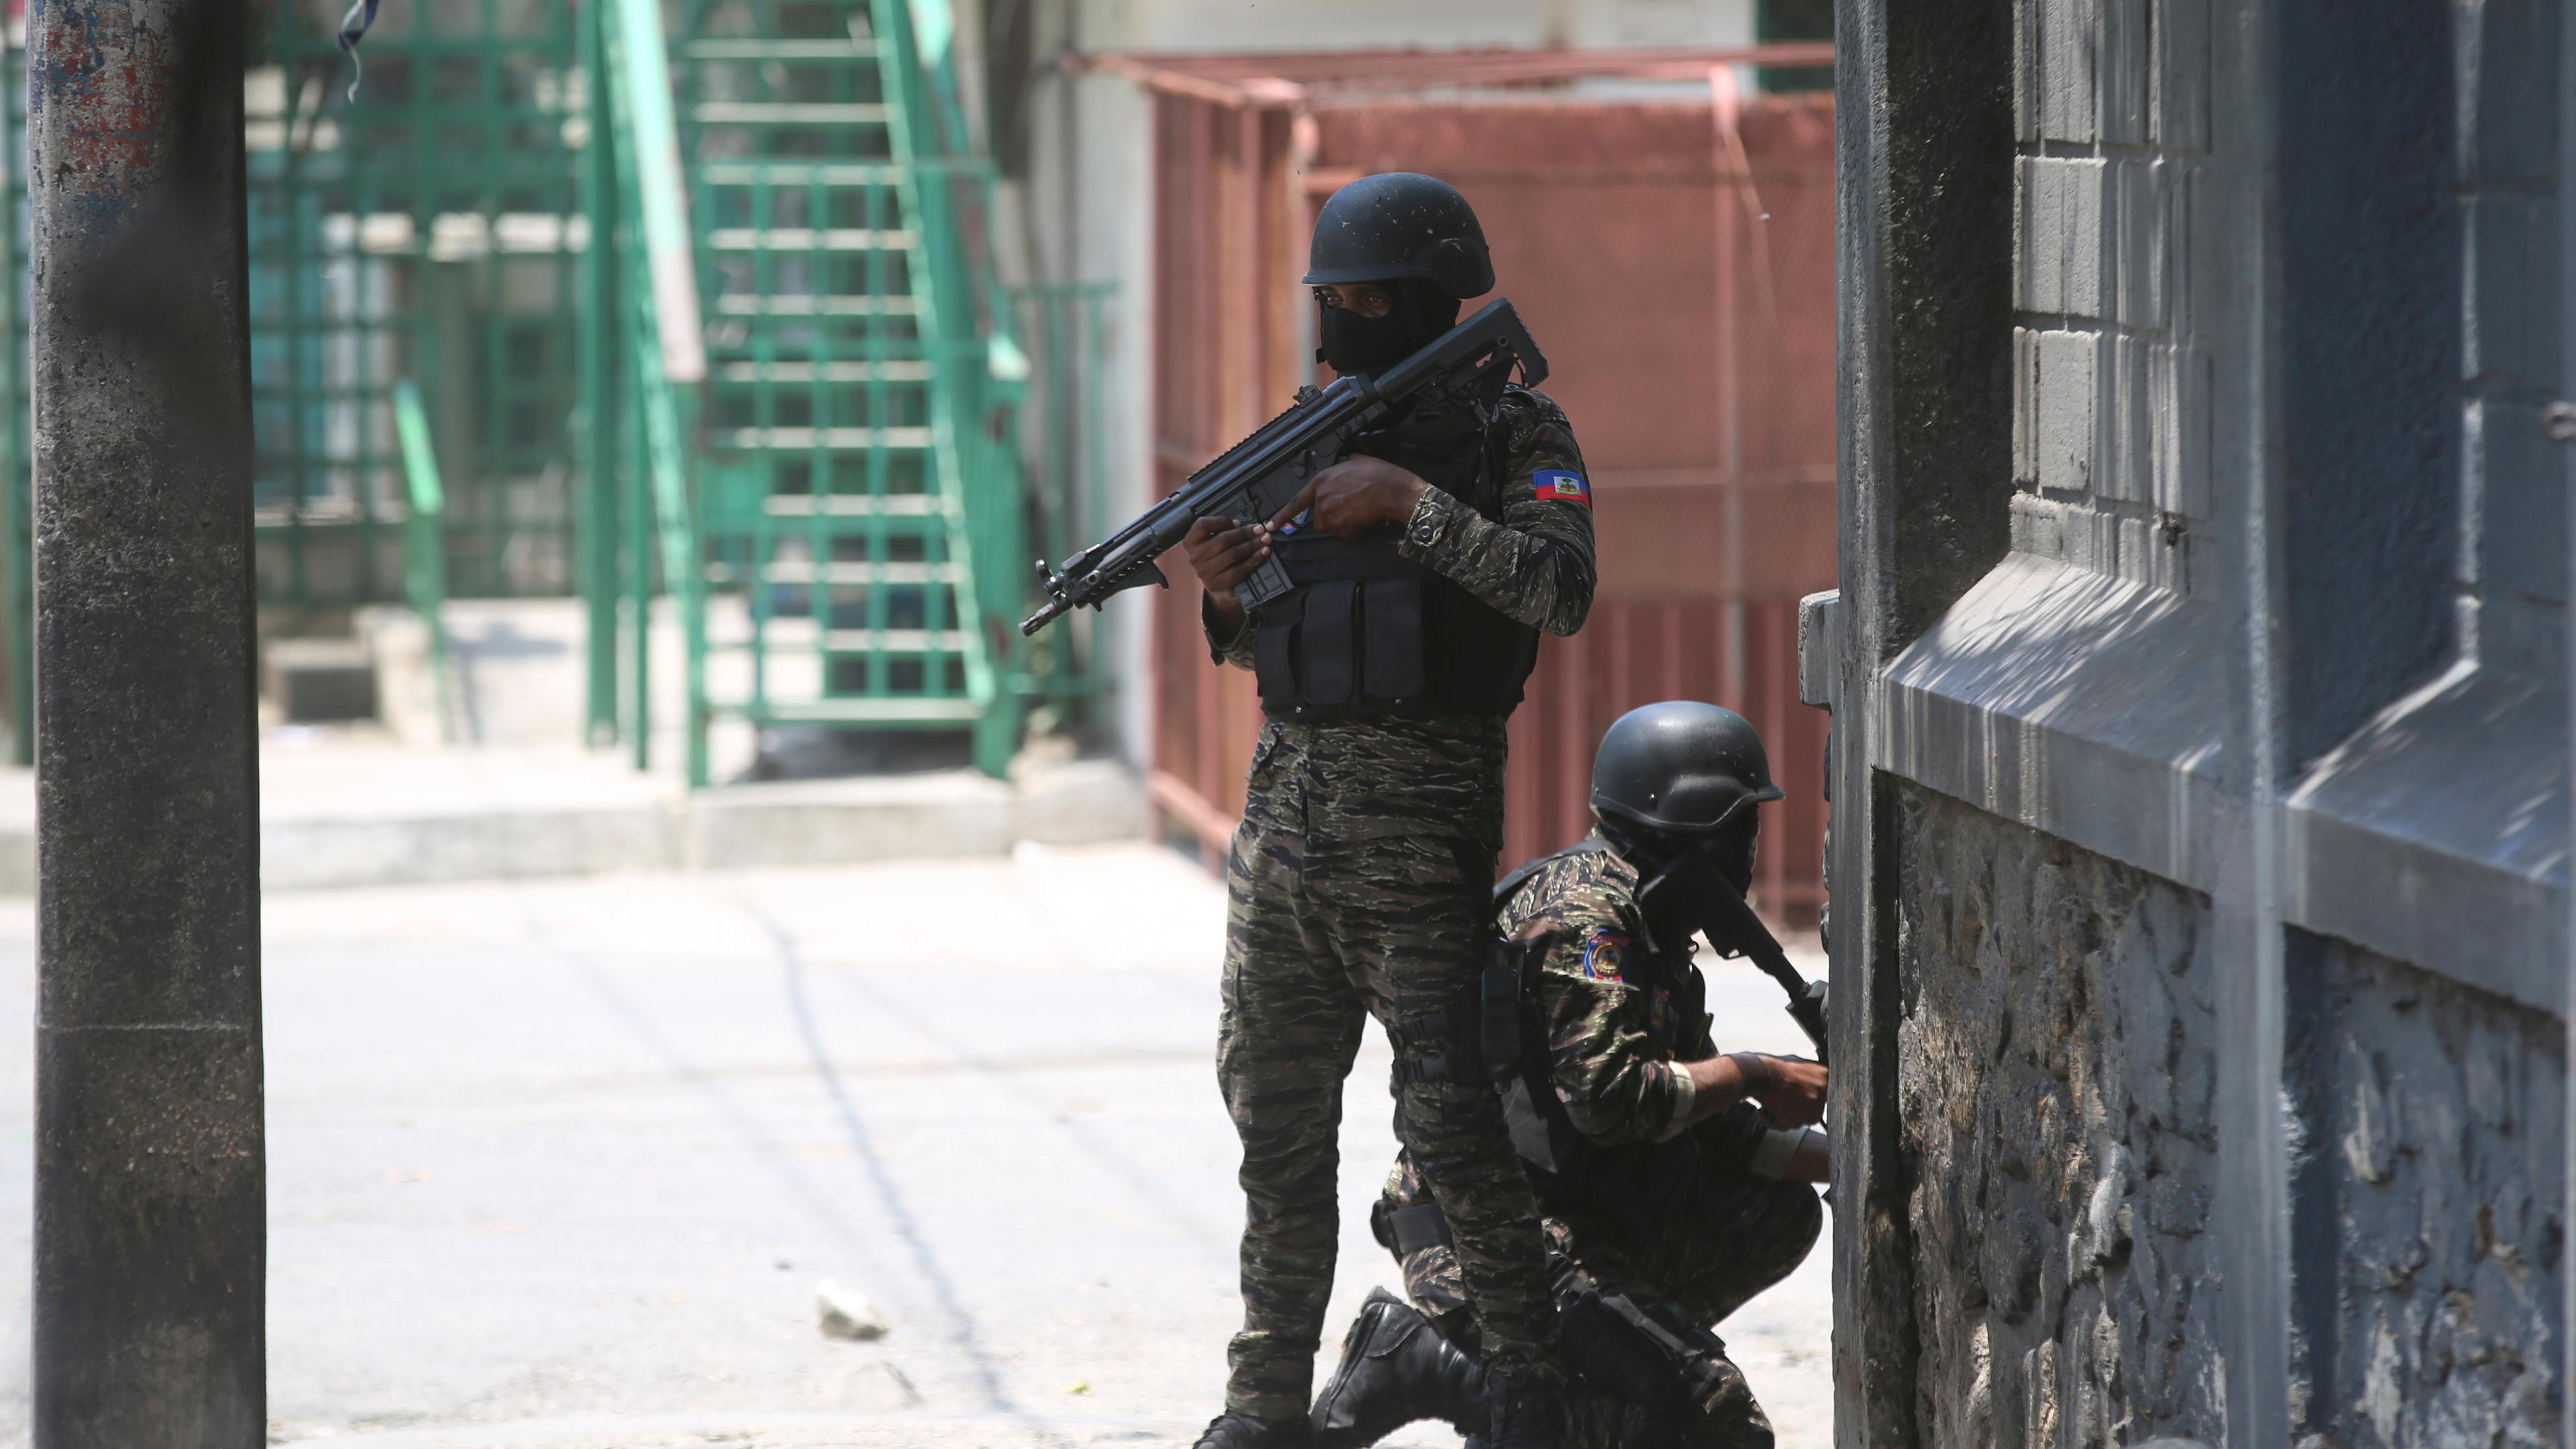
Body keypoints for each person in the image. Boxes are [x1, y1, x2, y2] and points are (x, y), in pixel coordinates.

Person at [1177, 172, 1599, 1449]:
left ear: (1433, 299)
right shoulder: (1306, 434)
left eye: (1372, 299)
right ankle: (1264, 1407)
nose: (1346, 317)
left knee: (1450, 1123)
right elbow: (1266, 639)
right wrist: (1224, 590)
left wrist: (1414, 509)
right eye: (1334, 298)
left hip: (1420, 829)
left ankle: (1526, 1379)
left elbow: (1559, 589)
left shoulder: (1517, 430)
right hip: (1285, 831)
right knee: (1275, 1128)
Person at [1307, 701, 1828, 1449]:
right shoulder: (1589, 918)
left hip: (1574, 1212)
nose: (1749, 853)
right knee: (1709, 1415)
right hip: (1489, 1235)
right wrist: (1757, 1071)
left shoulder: (1648, 927)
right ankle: (1449, 1366)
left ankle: (1553, 1373)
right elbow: (1610, 1099)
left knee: (1781, 1214)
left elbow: (1710, 1127)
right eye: (1739, 830)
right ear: (1696, 831)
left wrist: (1853, 1158)